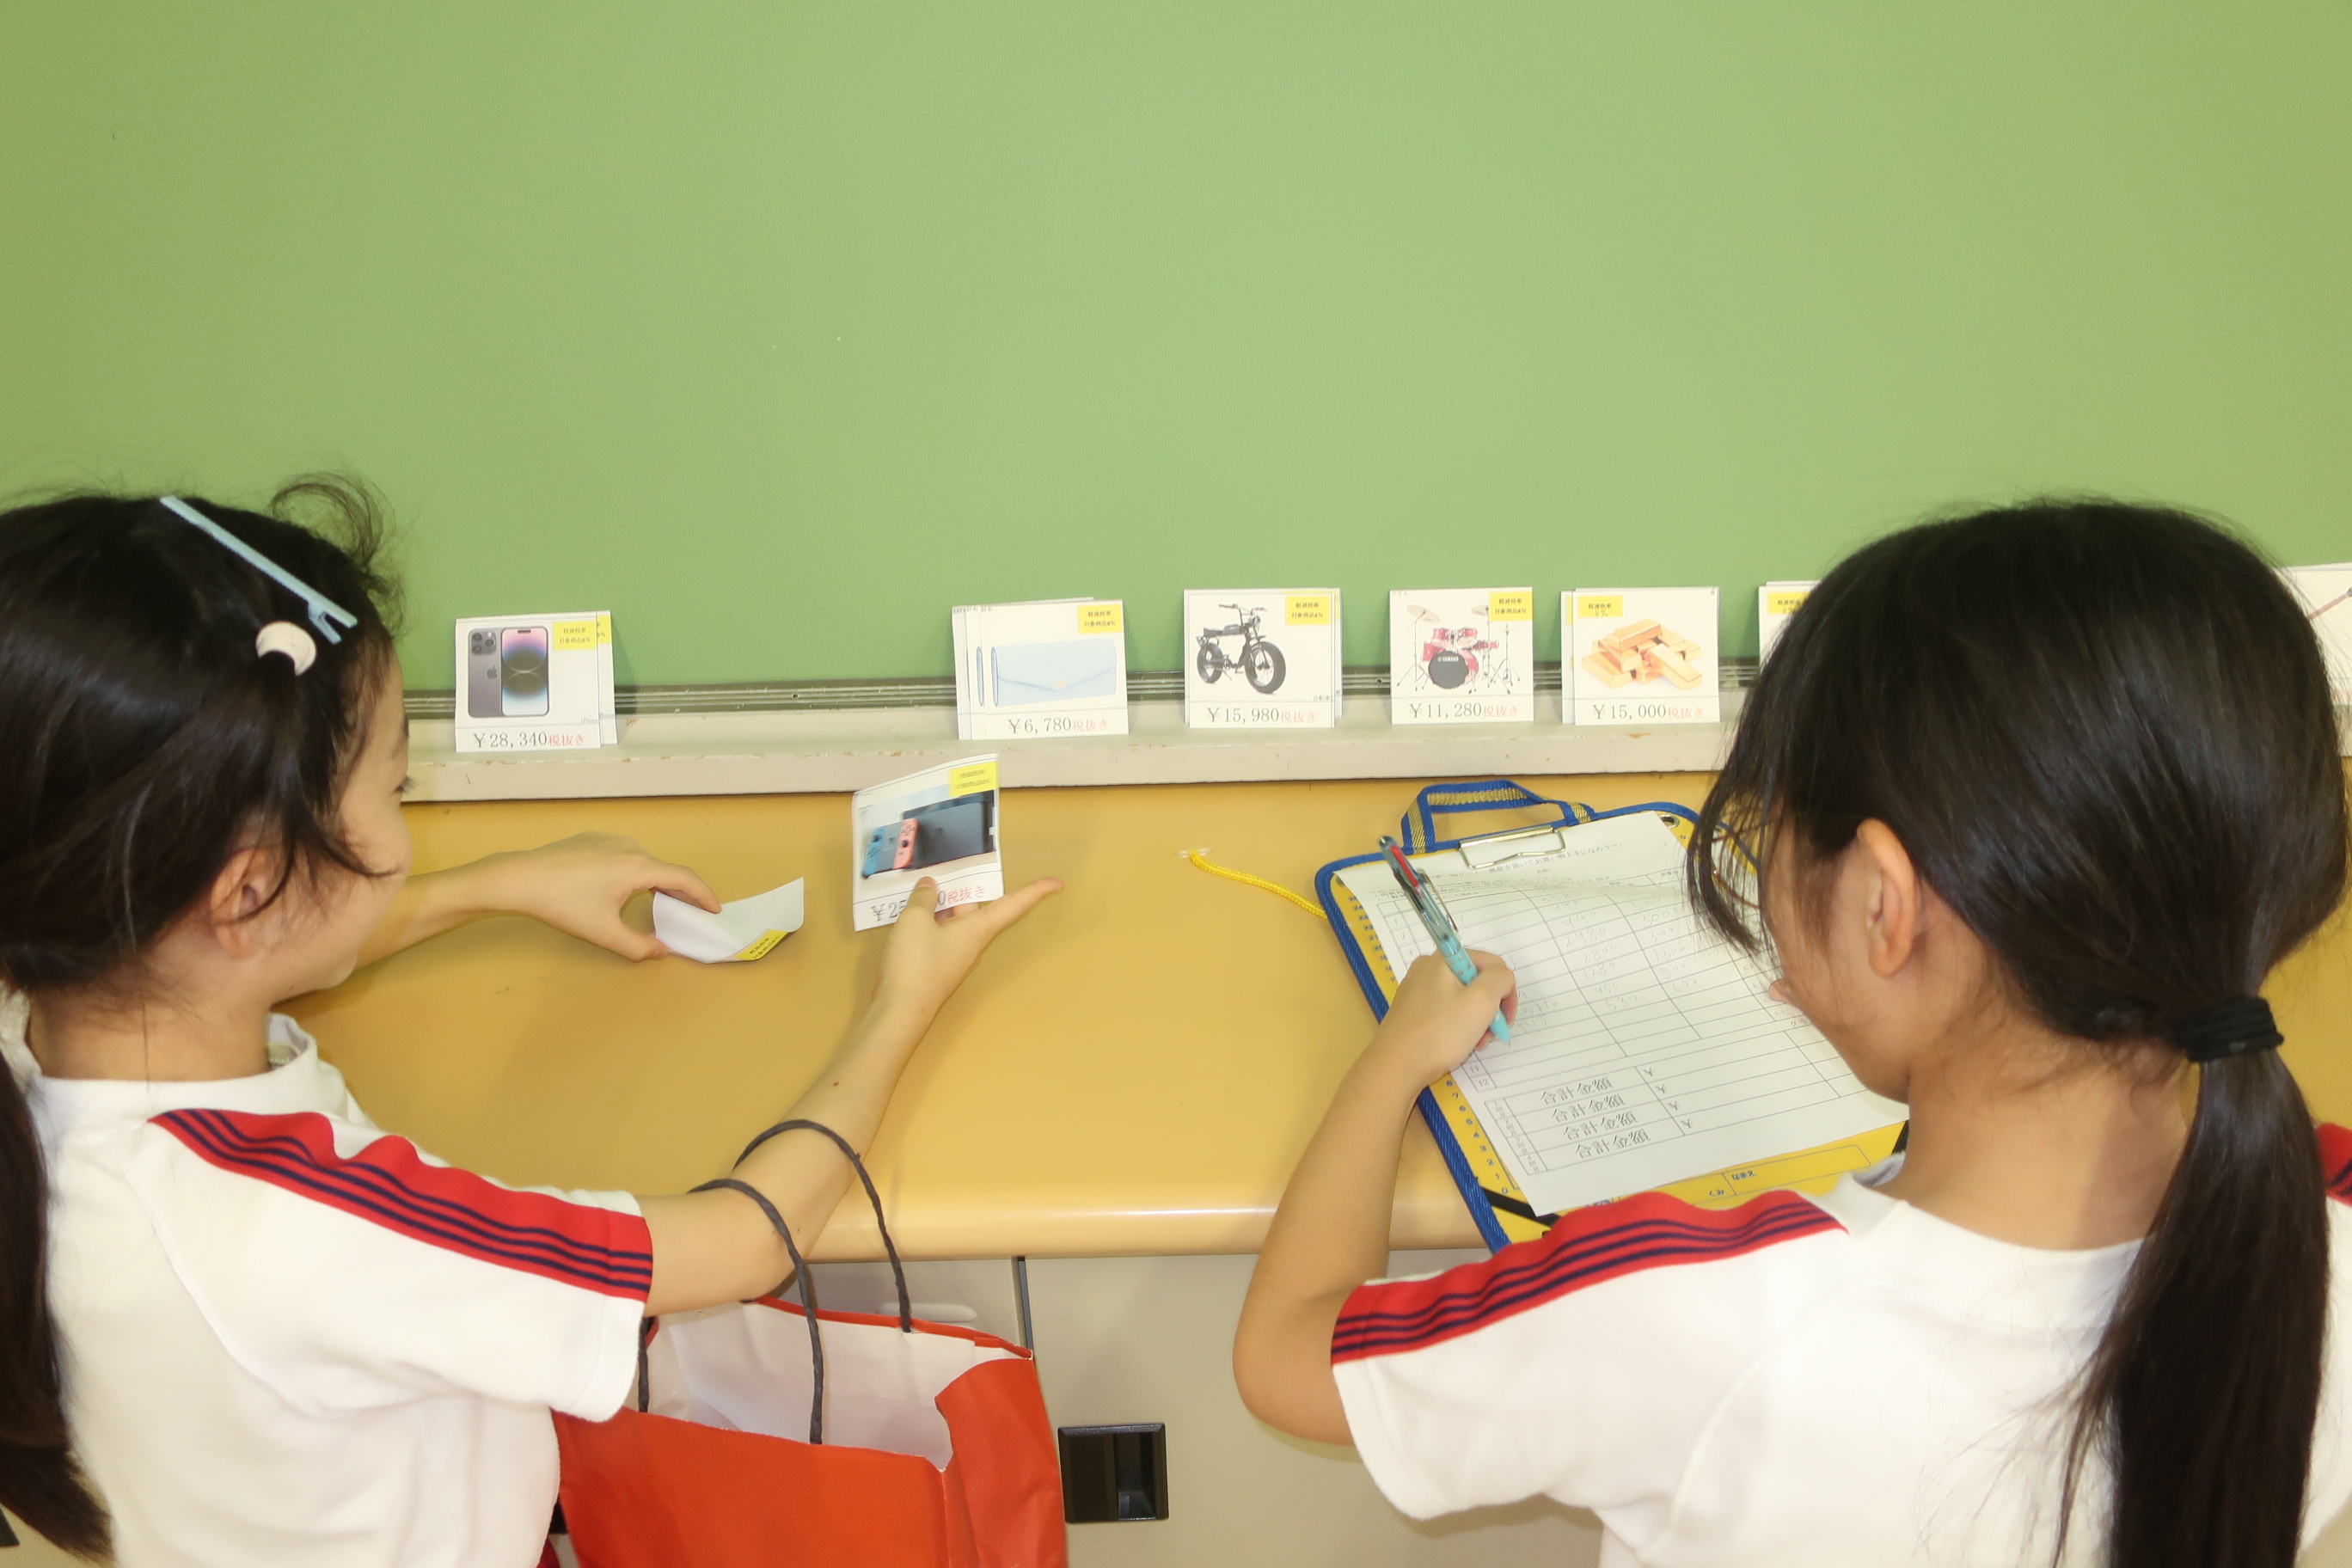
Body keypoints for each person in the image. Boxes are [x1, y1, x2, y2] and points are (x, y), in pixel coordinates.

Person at [1234, 499, 2352, 1567]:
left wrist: (1393, 1061)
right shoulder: (2323, 1228)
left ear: (1881, 906)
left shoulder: (1689, 1313)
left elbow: (1287, 1356)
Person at [0, 481, 1057, 1565]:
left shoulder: (47, 1012)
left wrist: (498, 883)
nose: (406, 822)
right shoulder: (308, 1227)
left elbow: (256, 941)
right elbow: (744, 1244)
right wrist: (903, 1002)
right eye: (397, 790)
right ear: (251, 889)